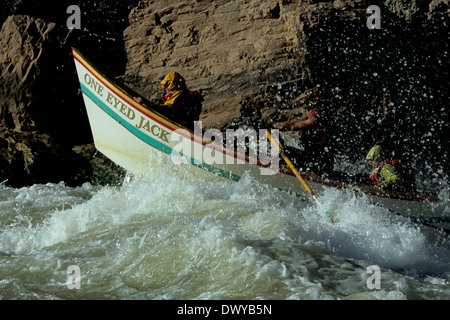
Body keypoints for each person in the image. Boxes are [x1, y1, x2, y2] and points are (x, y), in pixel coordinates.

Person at [273, 108, 333, 175]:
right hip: (311, 158)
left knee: (287, 151)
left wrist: (275, 126)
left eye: (309, 111)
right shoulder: (312, 123)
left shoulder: (315, 122)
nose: (307, 113)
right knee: (287, 150)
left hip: (320, 164)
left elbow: (294, 125)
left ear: (315, 112)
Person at [135, 71, 203, 130]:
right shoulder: (180, 94)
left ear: (170, 85)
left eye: (165, 85)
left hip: (179, 128)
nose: (163, 88)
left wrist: (147, 103)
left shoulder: (179, 96)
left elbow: (167, 109)